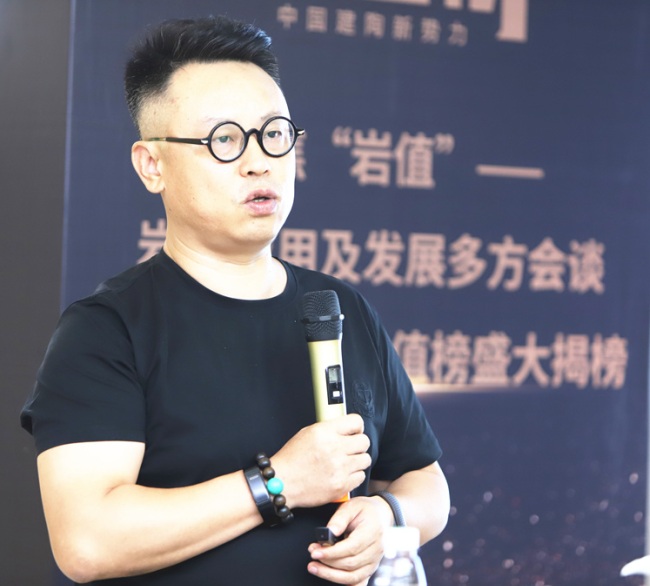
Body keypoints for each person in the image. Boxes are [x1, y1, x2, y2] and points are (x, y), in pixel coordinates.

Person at [21, 15, 449, 586]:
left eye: (274, 134)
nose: (258, 161)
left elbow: (426, 483)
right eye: (224, 139)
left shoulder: (339, 307)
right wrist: (277, 483)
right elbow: (87, 542)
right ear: (152, 165)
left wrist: (389, 515)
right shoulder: (107, 329)